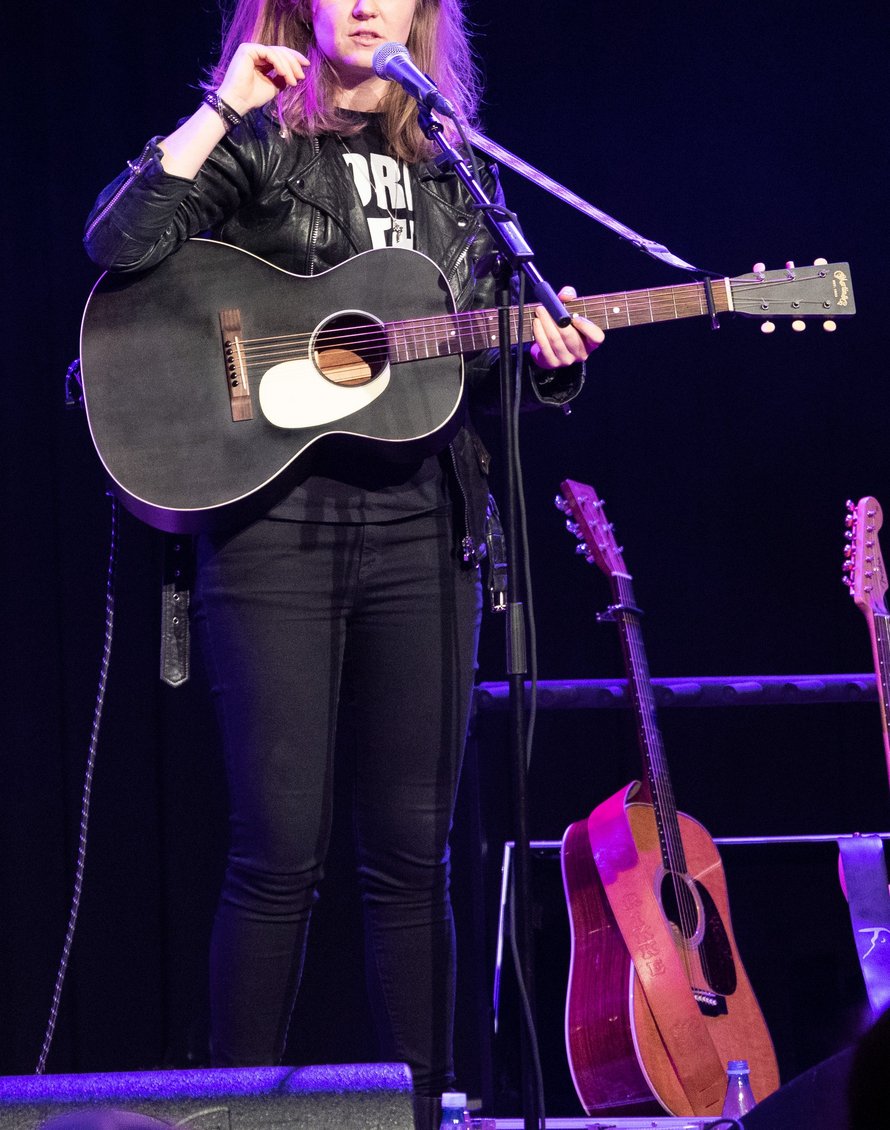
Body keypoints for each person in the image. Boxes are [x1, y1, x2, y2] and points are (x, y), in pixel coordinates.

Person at [83, 1, 603, 1125]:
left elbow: (463, 352)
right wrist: (220, 107)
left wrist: (548, 355)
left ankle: (423, 1109)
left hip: (426, 528)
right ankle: (233, 1115)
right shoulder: (261, 139)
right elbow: (118, 244)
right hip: (271, 524)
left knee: (415, 855)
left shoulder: (454, 171)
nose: (365, 1)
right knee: (277, 852)